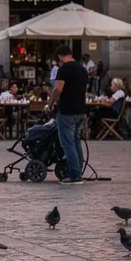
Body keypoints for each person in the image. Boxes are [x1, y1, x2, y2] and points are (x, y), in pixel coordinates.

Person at [47, 44, 88, 184]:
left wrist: (50, 104)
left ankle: (75, 176)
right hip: (81, 110)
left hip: (67, 111)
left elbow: (57, 89)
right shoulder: (83, 69)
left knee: (68, 144)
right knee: (76, 142)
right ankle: (78, 172)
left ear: (60, 57)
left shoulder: (64, 69)